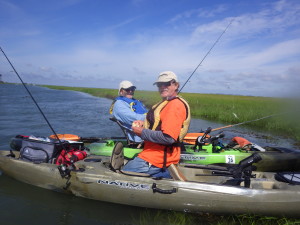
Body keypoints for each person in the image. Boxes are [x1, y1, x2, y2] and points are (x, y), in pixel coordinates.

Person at [122, 71, 191, 178]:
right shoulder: (166, 102)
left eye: (167, 83)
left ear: (176, 85)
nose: (162, 87)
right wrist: (144, 124)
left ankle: (165, 174)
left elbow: (168, 138)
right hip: (153, 153)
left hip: (156, 158)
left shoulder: (174, 106)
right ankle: (165, 174)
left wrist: (142, 132)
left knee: (123, 173)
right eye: (159, 84)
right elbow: (158, 124)